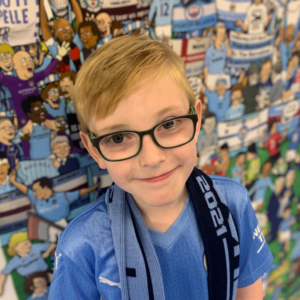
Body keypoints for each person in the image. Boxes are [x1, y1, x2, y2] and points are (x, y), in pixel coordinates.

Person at [48, 35, 272, 300]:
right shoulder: (82, 245)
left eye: (168, 124)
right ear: (95, 150)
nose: (152, 158)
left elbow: (248, 290)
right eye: (118, 138)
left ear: (197, 120)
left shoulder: (232, 203)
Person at [9, 171, 99, 242]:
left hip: (62, 225)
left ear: (45, 188)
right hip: (47, 227)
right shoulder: (35, 198)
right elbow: (25, 190)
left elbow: (79, 192)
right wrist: (13, 181)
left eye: (36, 190)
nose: (34, 193)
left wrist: (94, 187)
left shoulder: (62, 196)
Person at [0, 232, 56, 296]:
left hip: (45, 273)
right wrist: (1, 286)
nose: (29, 245)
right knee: (39, 291)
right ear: (15, 248)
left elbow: (53, 245)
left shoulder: (34, 247)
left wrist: (47, 252)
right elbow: (4, 272)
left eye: (29, 242)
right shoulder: (14, 261)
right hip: (31, 279)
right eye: (25, 244)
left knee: (55, 281)